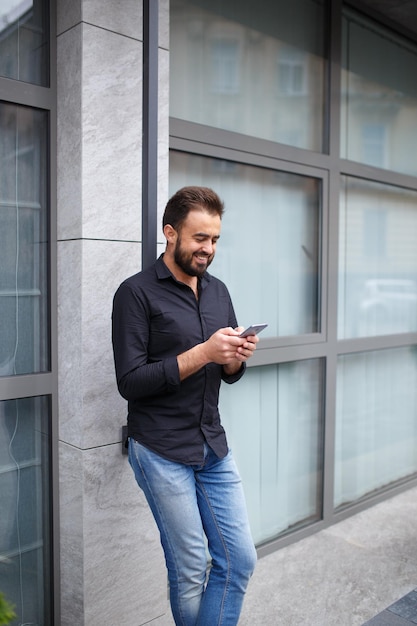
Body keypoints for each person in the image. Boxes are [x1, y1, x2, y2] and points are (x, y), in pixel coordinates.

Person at [112, 186, 258, 626]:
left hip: (212, 445)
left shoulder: (219, 292)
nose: (208, 249)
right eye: (199, 238)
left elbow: (225, 373)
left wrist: (234, 360)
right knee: (193, 567)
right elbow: (130, 382)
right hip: (159, 448)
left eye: (214, 239)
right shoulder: (134, 294)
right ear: (170, 233)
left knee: (240, 561)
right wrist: (205, 353)